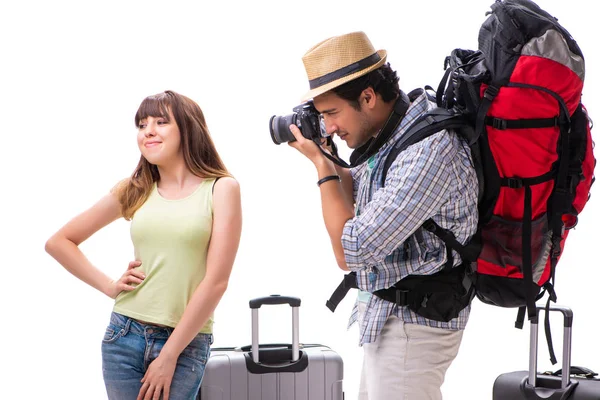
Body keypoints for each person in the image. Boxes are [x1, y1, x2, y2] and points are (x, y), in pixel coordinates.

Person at [287, 31, 479, 399]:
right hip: (391, 318)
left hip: (417, 328)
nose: (328, 127)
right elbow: (356, 189)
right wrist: (326, 154)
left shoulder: (429, 151)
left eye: (331, 113)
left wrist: (319, 165)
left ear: (368, 97)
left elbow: (352, 250)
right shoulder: (396, 132)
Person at [45, 90, 242, 400]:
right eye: (141, 124)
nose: (148, 130)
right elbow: (59, 242)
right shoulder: (135, 188)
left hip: (187, 344)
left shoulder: (221, 189)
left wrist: (169, 355)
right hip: (124, 334)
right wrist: (109, 285)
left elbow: (216, 282)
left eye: (161, 121)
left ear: (188, 129)